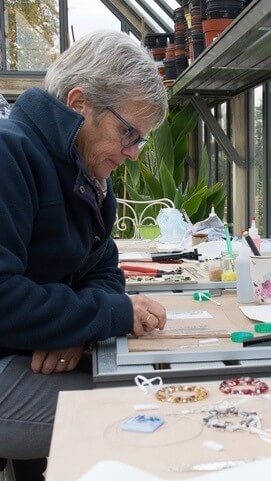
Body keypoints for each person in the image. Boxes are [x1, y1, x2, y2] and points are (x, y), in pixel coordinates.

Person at [0, 31, 169, 480]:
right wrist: (104, 315)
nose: (132, 153)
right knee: (142, 409)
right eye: (127, 132)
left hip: (25, 353)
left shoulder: (86, 176)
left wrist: (76, 327)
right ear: (80, 104)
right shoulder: (9, 154)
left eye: (140, 140)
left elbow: (103, 269)